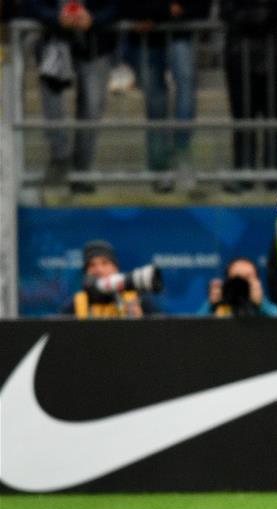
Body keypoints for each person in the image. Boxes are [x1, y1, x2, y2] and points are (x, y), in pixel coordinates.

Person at [25, 0, 118, 194]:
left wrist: (93, 19)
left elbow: (117, 6)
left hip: (96, 46)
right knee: (52, 100)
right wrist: (56, 18)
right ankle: (60, 157)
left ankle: (82, 172)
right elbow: (30, 4)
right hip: (54, 44)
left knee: (92, 108)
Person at [121, 0, 211, 193]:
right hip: (146, 39)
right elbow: (128, 7)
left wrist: (153, 14)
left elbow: (201, 7)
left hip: (180, 34)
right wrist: (167, 11)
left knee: (185, 91)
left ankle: (182, 154)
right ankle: (160, 169)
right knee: (155, 104)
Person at [221, 0, 277, 193]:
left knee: (276, 118)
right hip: (240, 55)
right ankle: (243, 173)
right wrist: (261, 17)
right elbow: (225, 11)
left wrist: (264, 16)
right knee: (243, 118)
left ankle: (274, 173)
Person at [62, 240, 160, 318]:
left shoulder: (137, 299)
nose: (99, 270)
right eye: (92, 265)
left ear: (115, 268)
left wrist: (140, 321)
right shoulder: (77, 303)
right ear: (86, 272)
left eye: (105, 263)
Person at [198, 257, 277, 317]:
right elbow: (195, 329)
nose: (241, 284)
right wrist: (211, 305)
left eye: (248, 278)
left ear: (257, 282)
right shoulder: (219, 303)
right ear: (227, 281)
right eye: (237, 278)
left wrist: (262, 304)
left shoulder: (261, 305)